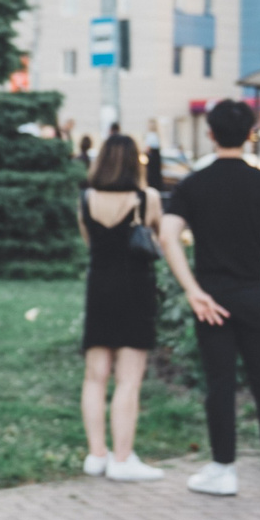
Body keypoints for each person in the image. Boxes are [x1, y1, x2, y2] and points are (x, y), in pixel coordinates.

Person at [159, 98, 260, 498]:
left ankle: (222, 469)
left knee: (220, 383)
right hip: (254, 295)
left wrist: (193, 291)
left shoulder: (193, 184)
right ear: (251, 136)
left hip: (211, 297)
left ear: (209, 134)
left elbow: (167, 235)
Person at [78, 132, 165, 482]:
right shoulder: (148, 199)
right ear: (134, 162)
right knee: (128, 379)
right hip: (135, 288)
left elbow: (90, 241)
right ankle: (123, 458)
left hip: (99, 286)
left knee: (95, 375)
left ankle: (96, 454)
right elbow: (154, 238)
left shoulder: (86, 199)